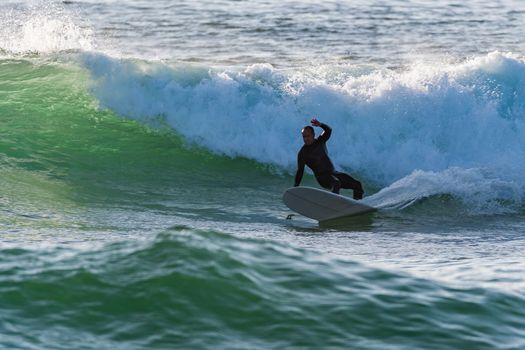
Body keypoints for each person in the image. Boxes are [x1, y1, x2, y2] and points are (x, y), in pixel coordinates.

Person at [294, 118, 364, 200]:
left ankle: (357, 204)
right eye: (304, 137)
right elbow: (300, 171)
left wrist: (320, 125)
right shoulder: (303, 153)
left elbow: (329, 130)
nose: (306, 139)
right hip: (323, 178)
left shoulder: (320, 141)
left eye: (308, 136)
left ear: (313, 135)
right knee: (336, 183)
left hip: (333, 173)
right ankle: (334, 205)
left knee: (357, 185)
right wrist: (295, 187)